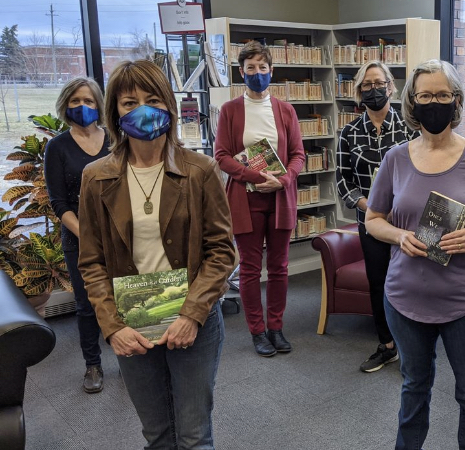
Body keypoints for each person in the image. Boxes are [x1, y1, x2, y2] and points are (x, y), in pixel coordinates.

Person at [77, 59, 235, 449]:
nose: (143, 110)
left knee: (195, 436)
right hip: (131, 322)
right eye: (129, 102)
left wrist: (192, 314)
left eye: (152, 99)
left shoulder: (201, 170)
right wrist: (112, 327)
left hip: (194, 319)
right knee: (157, 435)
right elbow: (92, 262)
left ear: (169, 104)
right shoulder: (96, 177)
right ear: (115, 111)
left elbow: (221, 251)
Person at [365, 59, 465, 450]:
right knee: (414, 388)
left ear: (456, 100)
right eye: (426, 96)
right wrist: (399, 235)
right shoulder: (395, 159)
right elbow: (373, 219)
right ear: (412, 101)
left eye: (443, 95)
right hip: (405, 299)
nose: (434, 103)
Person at [214, 41, 306, 357]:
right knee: (251, 269)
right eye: (250, 68)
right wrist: (256, 177)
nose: (257, 73)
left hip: (280, 198)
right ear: (241, 73)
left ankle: (276, 328)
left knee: (279, 267)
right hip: (245, 199)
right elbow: (222, 156)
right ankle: (257, 331)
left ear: (271, 71)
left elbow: (298, 155)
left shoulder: (286, 110)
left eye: (262, 67)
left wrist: (283, 180)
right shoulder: (230, 110)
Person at [336, 60, 419, 373]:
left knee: (410, 281)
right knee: (378, 282)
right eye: (367, 85)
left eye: (379, 83)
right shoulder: (349, 132)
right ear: (359, 91)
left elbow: (423, 172)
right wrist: (367, 206)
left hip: (407, 223)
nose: (374, 90)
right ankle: (386, 345)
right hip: (370, 222)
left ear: (391, 87)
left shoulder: (410, 129)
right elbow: (343, 179)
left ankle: (412, 344)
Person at [44, 77, 110, 394]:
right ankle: (92, 364)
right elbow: (59, 202)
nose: (82, 106)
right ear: (65, 105)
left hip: (121, 236)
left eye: (88, 100)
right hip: (79, 238)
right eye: (75, 101)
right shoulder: (57, 147)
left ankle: (134, 356)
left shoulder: (116, 140)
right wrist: (89, 235)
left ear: (99, 104)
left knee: (127, 297)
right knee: (87, 305)